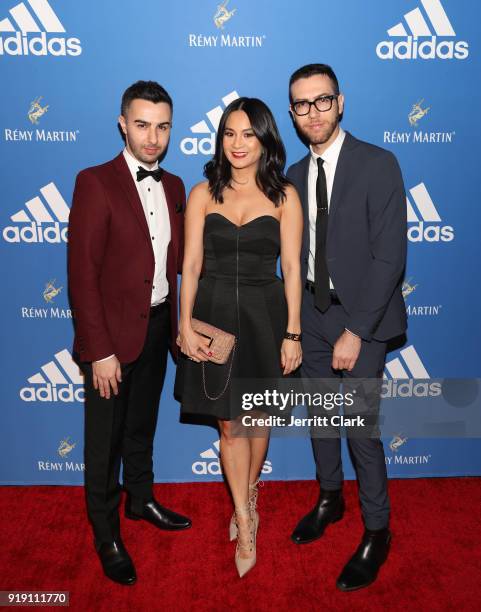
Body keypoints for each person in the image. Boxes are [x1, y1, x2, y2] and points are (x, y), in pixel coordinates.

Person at [286, 64, 407, 591]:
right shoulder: (291, 175)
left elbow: (390, 259)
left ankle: (377, 530)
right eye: (302, 104)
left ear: (341, 102)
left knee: (360, 428)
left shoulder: (378, 164)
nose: (313, 112)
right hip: (312, 315)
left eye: (322, 100)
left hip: (365, 319)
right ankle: (330, 497)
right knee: (321, 419)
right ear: (292, 113)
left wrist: (356, 330)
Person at [68, 80, 191, 586]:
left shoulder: (177, 187)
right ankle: (105, 532)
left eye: (162, 126)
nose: (152, 138)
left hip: (158, 326)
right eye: (142, 125)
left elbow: (178, 266)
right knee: (105, 441)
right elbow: (81, 274)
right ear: (123, 123)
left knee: (141, 426)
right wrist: (98, 351)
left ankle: (140, 499)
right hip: (111, 339)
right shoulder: (95, 182)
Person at [175, 97, 303, 577]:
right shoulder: (203, 192)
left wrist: (293, 332)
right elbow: (190, 264)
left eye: (248, 134)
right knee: (229, 425)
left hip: (265, 317)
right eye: (229, 133)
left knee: (257, 419)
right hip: (214, 317)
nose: (238, 143)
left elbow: (291, 268)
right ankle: (246, 521)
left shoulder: (285, 195)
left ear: (265, 138)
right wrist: (183, 326)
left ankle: (247, 495)